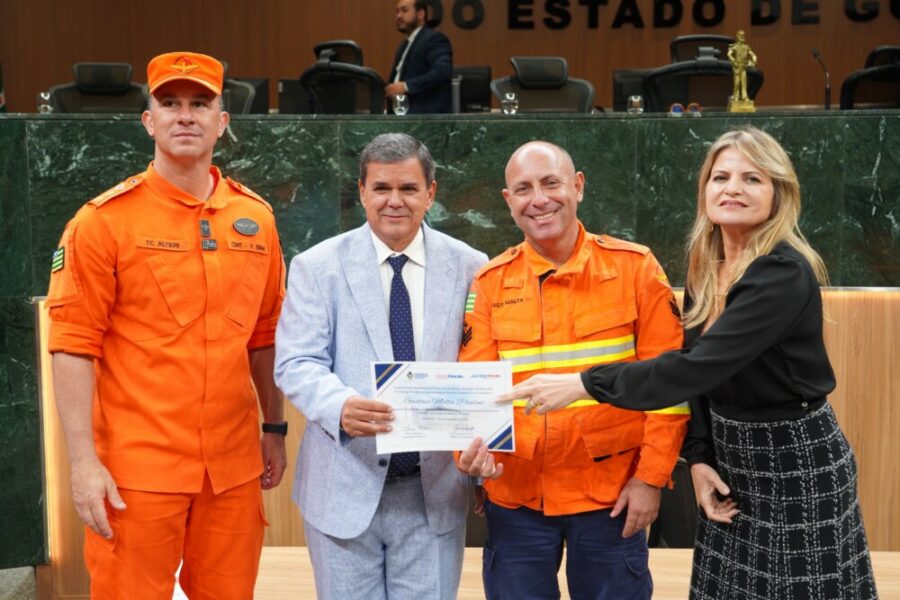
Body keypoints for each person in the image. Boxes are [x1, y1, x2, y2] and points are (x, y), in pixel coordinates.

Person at [503, 128, 879, 600]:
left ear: (779, 193)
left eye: (752, 179)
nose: (733, 188)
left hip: (793, 463)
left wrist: (583, 384)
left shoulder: (781, 272)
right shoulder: (709, 263)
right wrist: (700, 458)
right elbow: (699, 376)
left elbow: (693, 369)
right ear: (704, 191)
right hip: (731, 459)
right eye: (720, 177)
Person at [46, 51, 287, 599]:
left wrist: (274, 430)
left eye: (201, 103)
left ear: (222, 123)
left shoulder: (257, 220)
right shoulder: (103, 222)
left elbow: (266, 335)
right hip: (137, 472)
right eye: (170, 103)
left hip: (231, 470)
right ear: (148, 120)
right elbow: (72, 345)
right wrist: (83, 464)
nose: (186, 115)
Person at [456, 140, 690, 600]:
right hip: (517, 496)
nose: (538, 199)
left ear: (578, 186)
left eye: (551, 183)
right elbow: (472, 390)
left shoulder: (635, 269)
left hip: (611, 495)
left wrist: (650, 479)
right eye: (523, 189)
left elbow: (670, 387)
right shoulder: (489, 283)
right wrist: (469, 463)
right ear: (509, 202)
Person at [274, 133, 486, 599]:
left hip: (433, 493)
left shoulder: (473, 266)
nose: (395, 201)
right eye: (382, 188)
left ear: (431, 192)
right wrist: (340, 404)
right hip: (343, 484)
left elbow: (483, 364)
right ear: (362, 192)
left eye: (409, 189)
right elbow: (296, 361)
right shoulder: (316, 266)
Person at [386, 0, 453, 113]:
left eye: (404, 10)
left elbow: (443, 71)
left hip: (424, 118)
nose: (398, 16)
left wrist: (406, 86)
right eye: (397, 11)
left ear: (421, 14)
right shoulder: (404, 45)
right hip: (401, 116)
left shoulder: (433, 39)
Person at [727, 30, 757, 102]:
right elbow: (729, 54)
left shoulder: (746, 47)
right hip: (737, 67)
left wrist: (754, 60)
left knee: (744, 83)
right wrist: (734, 61)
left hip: (743, 67)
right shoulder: (734, 46)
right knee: (737, 83)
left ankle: (744, 97)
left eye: (743, 35)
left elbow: (753, 55)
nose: (742, 37)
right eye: (741, 35)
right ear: (737, 36)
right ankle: (736, 97)